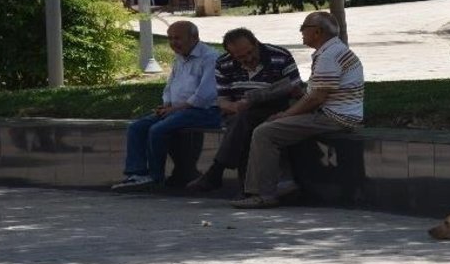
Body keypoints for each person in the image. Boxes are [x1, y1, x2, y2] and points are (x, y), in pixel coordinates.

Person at [230, 11, 364, 209]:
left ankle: (263, 194)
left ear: (317, 32)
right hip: (337, 114)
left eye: (304, 28)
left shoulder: (329, 55)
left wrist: (286, 115)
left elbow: (317, 98)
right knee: (272, 123)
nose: (301, 32)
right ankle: (283, 183)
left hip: (333, 118)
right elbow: (315, 93)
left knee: (265, 132)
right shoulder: (334, 50)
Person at [184, 28, 302, 193]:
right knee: (244, 122)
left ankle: (218, 172)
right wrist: (235, 106)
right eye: (240, 57)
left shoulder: (279, 55)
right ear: (231, 55)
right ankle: (246, 189)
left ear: (255, 43)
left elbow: (297, 89)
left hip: (274, 109)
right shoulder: (224, 63)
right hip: (238, 112)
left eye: (249, 53)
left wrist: (277, 93)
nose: (247, 59)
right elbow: (222, 101)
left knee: (245, 122)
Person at [111, 21, 221, 190]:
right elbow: (169, 86)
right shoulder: (179, 58)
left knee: (158, 130)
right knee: (137, 127)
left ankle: (155, 178)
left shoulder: (210, 58)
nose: (172, 43)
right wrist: (166, 105)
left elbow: (204, 95)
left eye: (177, 38)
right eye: (170, 38)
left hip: (204, 111)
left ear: (194, 37)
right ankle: (137, 174)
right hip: (176, 110)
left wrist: (174, 109)